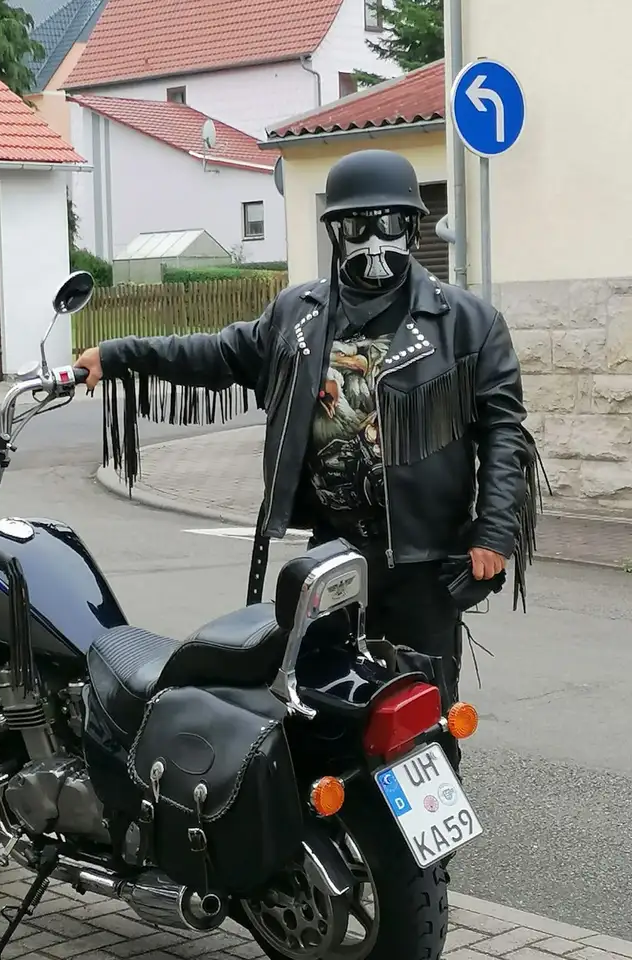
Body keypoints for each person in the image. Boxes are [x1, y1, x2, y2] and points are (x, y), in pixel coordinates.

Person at [76, 149, 541, 776]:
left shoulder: (467, 322)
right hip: (332, 553)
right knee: (318, 702)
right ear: (336, 231)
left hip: (424, 562)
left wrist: (495, 530)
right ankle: (331, 823)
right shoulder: (298, 314)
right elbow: (216, 353)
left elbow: (504, 430)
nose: (375, 240)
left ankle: (427, 829)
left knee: (423, 711)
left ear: (412, 228)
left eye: (389, 223)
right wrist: (120, 354)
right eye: (358, 224)